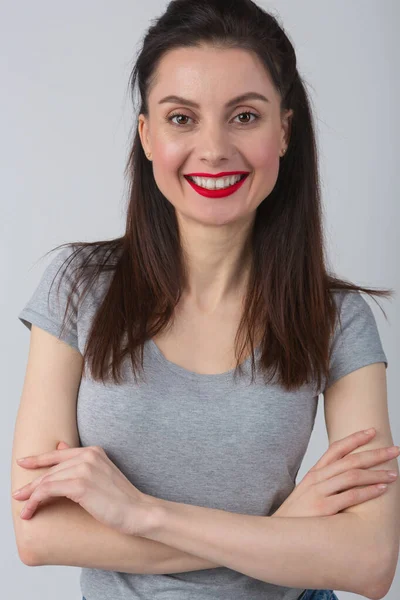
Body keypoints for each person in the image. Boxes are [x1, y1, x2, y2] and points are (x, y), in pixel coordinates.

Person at [14, 1, 394, 599]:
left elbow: (370, 561)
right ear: (146, 135)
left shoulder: (338, 320)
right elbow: (40, 533)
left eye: (244, 115)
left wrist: (141, 513)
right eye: (181, 118)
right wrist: (281, 533)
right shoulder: (78, 286)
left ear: (285, 130)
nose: (214, 149)